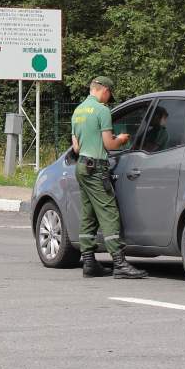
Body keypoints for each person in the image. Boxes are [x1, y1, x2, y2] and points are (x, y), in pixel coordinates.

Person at [70, 76, 147, 279]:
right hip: (96, 168)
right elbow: (109, 145)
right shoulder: (102, 110)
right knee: (109, 212)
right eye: (109, 94)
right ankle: (119, 263)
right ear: (104, 90)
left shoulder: (78, 111)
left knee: (89, 214)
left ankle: (89, 262)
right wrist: (120, 139)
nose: (108, 98)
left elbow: (76, 147)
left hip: (82, 166)